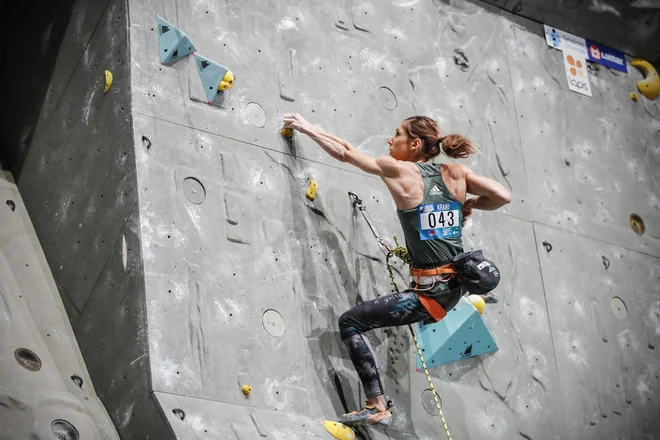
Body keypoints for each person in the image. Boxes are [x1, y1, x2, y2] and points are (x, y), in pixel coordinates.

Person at [282, 113, 511, 427]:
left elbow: (346, 152)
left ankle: (376, 406)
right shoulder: (456, 172)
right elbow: (502, 196)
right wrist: (465, 204)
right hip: (453, 286)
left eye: (397, 134)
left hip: (430, 293)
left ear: (414, 144)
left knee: (350, 322)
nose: (390, 140)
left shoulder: (399, 170)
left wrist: (308, 127)